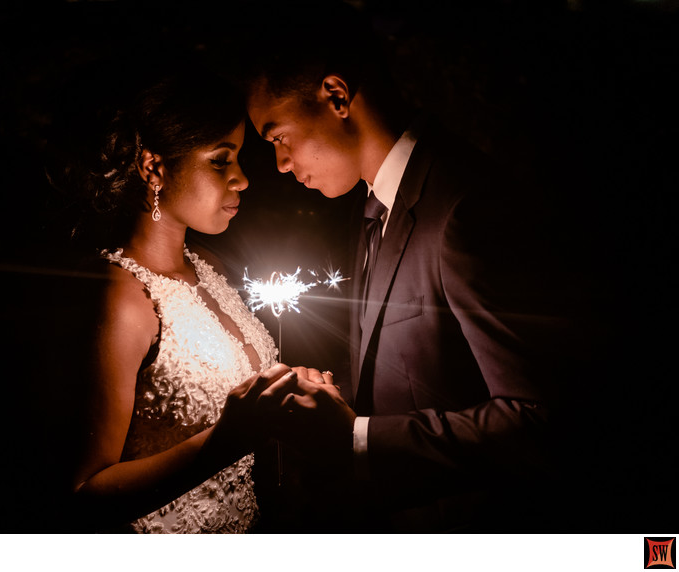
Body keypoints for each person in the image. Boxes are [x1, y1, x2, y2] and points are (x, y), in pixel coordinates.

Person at [242, 2, 594, 532]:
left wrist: (355, 439)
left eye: (278, 137)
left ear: (336, 97)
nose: (281, 164)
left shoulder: (467, 207)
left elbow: (542, 419)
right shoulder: (373, 208)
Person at [45, 61, 305, 533]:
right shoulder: (122, 298)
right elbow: (82, 493)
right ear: (154, 166)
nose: (242, 179)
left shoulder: (211, 267)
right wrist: (226, 440)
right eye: (221, 160)